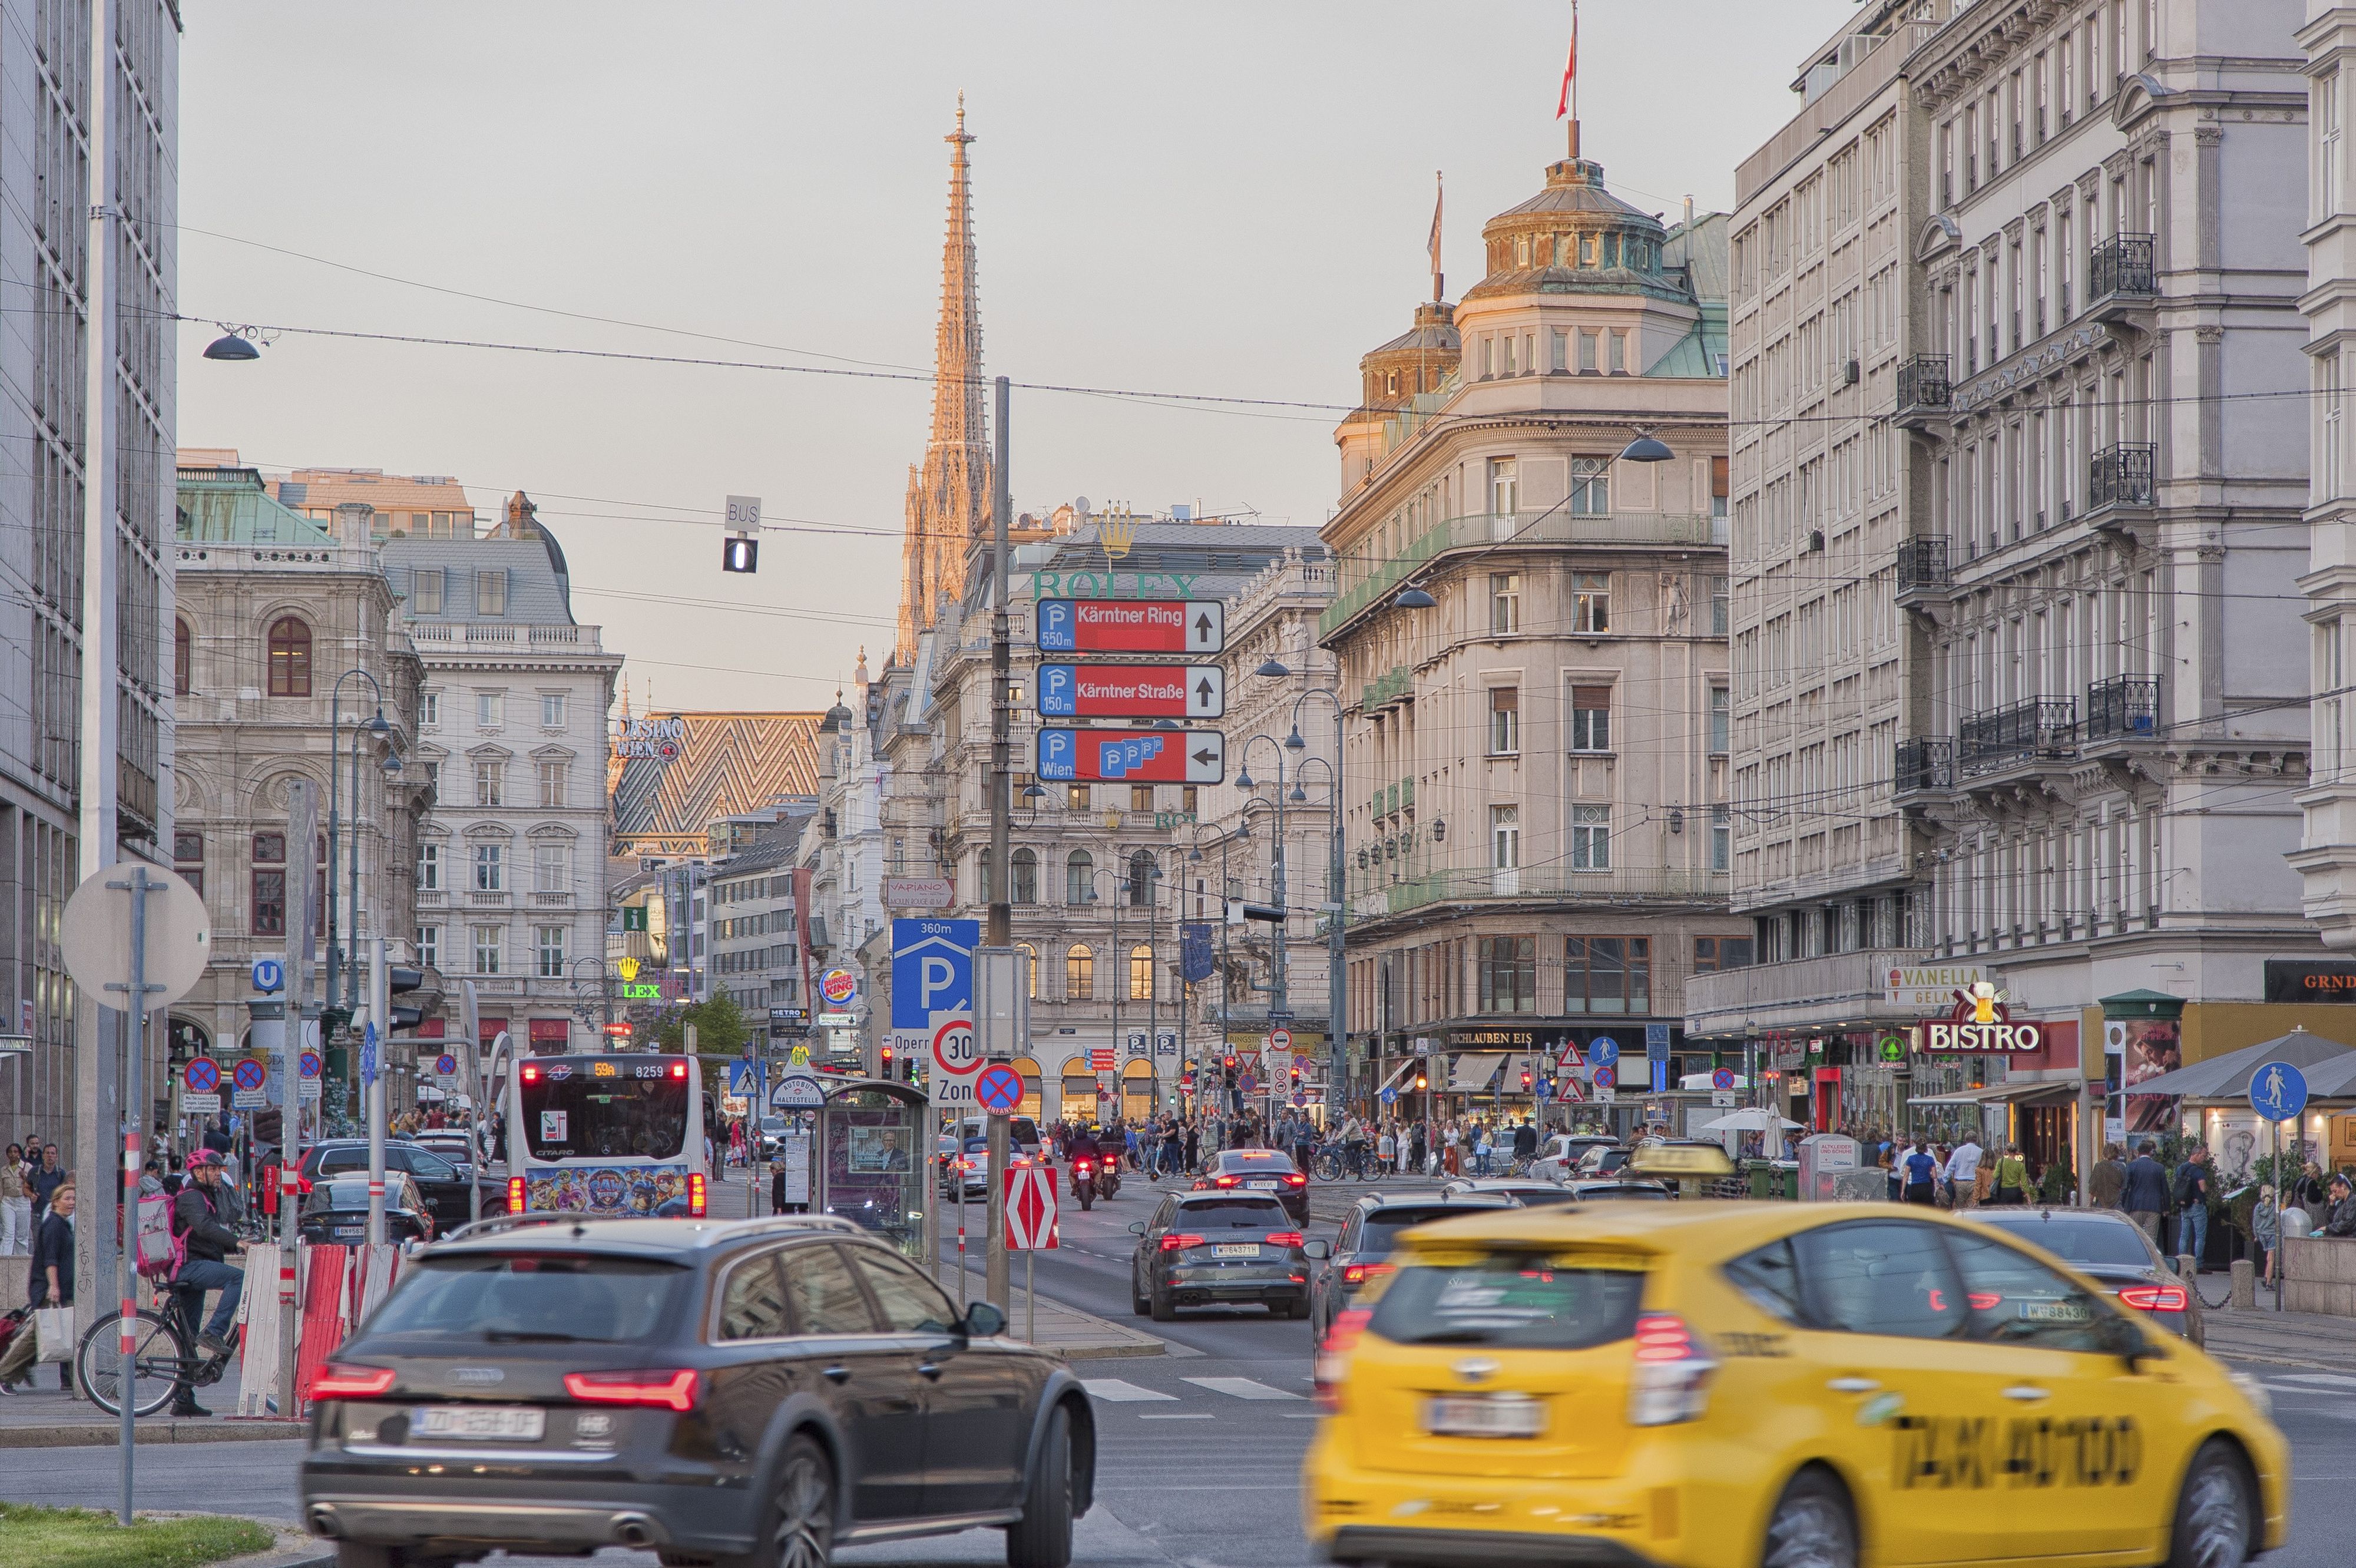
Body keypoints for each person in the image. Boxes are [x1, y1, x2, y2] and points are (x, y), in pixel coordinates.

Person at [170, 1152, 247, 1413]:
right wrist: (236, 1242)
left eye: (218, 1169)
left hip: (195, 1268)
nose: (218, 1174)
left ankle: (183, 1400)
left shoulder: (207, 1196)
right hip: (188, 1268)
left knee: (187, 1336)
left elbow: (230, 1215)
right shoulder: (191, 1197)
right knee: (237, 1278)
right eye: (212, 1169)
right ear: (197, 1172)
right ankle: (215, 1332)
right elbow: (203, 1227)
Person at [0, 1176, 72, 1392]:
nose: (72, 1202)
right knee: (33, 1337)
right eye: (67, 1198)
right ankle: (5, 1374)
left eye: (74, 1198)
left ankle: (70, 1380)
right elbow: (50, 1259)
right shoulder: (53, 1225)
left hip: (57, 1288)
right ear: (56, 1201)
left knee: (62, 1331)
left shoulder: (62, 1224)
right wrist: (54, 1286)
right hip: (47, 1288)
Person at [2121, 1140, 2170, 1240]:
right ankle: (2150, 1256)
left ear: (2138, 1153)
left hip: (2136, 1206)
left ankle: (2137, 1256)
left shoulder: (2132, 1166)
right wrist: (2166, 1208)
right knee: (2151, 1238)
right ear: (2150, 1152)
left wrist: (2123, 1205)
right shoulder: (2159, 1168)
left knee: (2136, 1236)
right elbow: (2165, 1189)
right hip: (2154, 1207)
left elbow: (2125, 1187)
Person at [2175, 1144, 2212, 1267]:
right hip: (2197, 1205)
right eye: (2203, 1155)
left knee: (2184, 1235)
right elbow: (2203, 1188)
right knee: (2200, 1236)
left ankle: (2181, 1260)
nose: (2204, 1158)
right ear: (2196, 1155)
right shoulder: (2199, 1171)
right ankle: (2199, 1264)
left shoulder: (2181, 1169)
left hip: (2185, 1205)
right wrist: (2207, 1188)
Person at [1942, 1133, 1984, 1211]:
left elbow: (1950, 1167)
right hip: (1975, 1183)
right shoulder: (1981, 1152)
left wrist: (1945, 1180)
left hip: (1960, 1183)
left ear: (1966, 1140)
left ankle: (1960, 1222)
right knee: (1973, 1208)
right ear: (1977, 1140)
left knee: (1959, 1208)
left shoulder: (1959, 1151)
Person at [0, 1143, 28, 1256]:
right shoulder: (3, 1170)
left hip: (23, 1201)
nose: (13, 1154)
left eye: (15, 1152)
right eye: (10, 1152)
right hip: (8, 1202)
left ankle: (21, 1260)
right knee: (8, 1233)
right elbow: (1, 1189)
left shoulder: (27, 1167)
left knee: (22, 1235)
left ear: (20, 1154)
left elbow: (33, 1187)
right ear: (7, 1155)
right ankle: (4, 1260)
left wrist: (25, 1177)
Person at [2253, 1184, 2280, 1287]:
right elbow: (2277, 1222)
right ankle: (2269, 1282)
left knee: (2268, 1258)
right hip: (2272, 1234)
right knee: (2271, 1259)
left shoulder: (2258, 1208)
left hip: (2262, 1234)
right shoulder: (2274, 1208)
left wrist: (2257, 1235)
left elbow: (2255, 1223)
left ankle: (2266, 1276)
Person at [2089, 1142, 2127, 1209]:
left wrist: (2090, 1203)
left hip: (2101, 1205)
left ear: (2104, 1153)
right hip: (2117, 1205)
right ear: (2117, 1154)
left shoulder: (2099, 1166)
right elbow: (2124, 1187)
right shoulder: (2121, 1167)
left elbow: (2093, 1188)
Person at [1902, 1140, 1940, 1205]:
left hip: (1915, 1187)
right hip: (1927, 1187)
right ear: (1925, 1148)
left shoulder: (1911, 1159)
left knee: (1915, 1210)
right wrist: (1928, 1174)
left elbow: (1906, 1176)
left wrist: (1903, 1191)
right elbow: (1935, 1176)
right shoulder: (1930, 1159)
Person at [2322, 1173, 2356, 1238]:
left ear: (2343, 1186)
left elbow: (2347, 1224)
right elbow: (2332, 1221)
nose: (2334, 1194)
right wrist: (2332, 1205)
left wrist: (2328, 1228)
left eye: (2335, 1191)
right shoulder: (2341, 1203)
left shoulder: (2353, 1201)